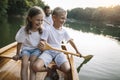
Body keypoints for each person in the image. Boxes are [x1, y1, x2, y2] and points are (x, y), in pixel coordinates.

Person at [32, 7, 81, 80]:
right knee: (35, 67)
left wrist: (77, 51)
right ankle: (49, 70)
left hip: (59, 52)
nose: (64, 20)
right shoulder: (47, 29)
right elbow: (43, 41)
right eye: (62, 18)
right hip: (48, 52)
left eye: (65, 18)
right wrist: (42, 44)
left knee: (67, 69)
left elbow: (70, 41)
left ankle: (55, 67)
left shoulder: (64, 31)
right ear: (54, 18)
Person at [13, 6, 44, 80]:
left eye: (41, 20)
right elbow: (20, 42)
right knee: (24, 63)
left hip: (36, 50)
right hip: (26, 49)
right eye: (37, 20)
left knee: (32, 63)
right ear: (30, 19)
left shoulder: (42, 30)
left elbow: (44, 43)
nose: (40, 22)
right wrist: (17, 54)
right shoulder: (24, 30)